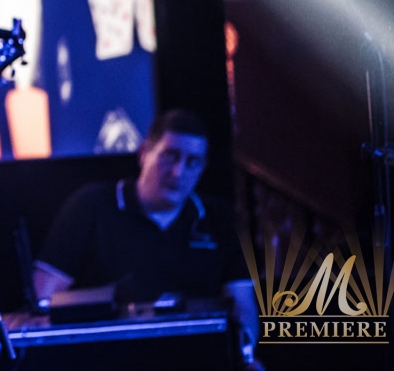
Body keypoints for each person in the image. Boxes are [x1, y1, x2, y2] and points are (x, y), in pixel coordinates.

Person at [32, 108, 262, 369]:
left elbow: (242, 304)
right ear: (144, 152)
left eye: (192, 162)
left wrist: (245, 355)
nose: (178, 172)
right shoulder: (91, 206)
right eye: (169, 156)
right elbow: (43, 300)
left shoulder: (219, 219)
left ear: (203, 168)